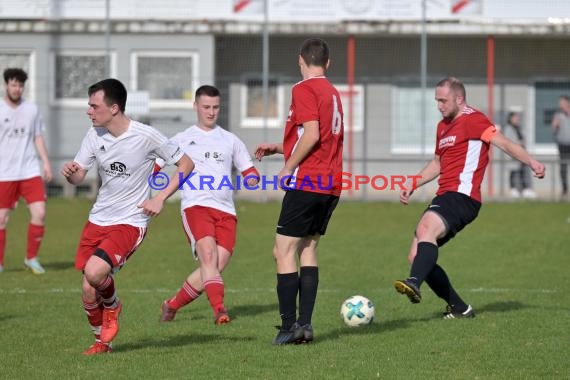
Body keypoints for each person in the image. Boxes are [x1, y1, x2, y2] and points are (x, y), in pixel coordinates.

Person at [61, 78, 194, 355]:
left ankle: (112, 305)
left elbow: (186, 163)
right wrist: (72, 173)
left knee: (96, 272)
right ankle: (102, 343)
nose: (89, 111)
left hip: (130, 221)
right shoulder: (93, 135)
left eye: (93, 106)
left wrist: (159, 197)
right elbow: (79, 176)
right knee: (88, 289)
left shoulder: (146, 136)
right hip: (98, 218)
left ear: (113, 108)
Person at [394, 77, 545, 319]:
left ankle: (413, 281)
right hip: (446, 194)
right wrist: (413, 182)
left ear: (459, 98)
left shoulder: (475, 120)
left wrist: (531, 162)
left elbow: (504, 143)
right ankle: (459, 308)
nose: (439, 105)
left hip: (463, 196)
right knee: (416, 254)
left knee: (426, 229)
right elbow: (437, 163)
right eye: (437, 101)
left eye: (443, 100)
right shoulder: (442, 126)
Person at [255, 38, 344, 345]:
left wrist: (288, 166)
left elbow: (313, 134)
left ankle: (288, 327)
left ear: (300, 61)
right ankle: (304, 325)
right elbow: (320, 139)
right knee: (307, 248)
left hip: (308, 181)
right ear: (328, 63)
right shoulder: (333, 93)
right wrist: (278, 148)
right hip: (331, 184)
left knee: (282, 251)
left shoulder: (303, 89)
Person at [158, 85, 260, 325]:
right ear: (196, 107)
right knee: (208, 254)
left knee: (215, 266)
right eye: (206, 107)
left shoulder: (230, 140)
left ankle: (171, 305)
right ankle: (220, 310)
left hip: (226, 211)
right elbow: (157, 163)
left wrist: (252, 177)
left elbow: (248, 169)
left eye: (215, 107)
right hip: (196, 206)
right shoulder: (182, 139)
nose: (211, 112)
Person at [0, 68, 52, 274]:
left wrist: (46, 162)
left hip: (30, 170)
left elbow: (37, 137)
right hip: (4, 173)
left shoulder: (32, 109)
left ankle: (31, 258)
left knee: (40, 212)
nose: (17, 89)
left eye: (20, 85)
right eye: (13, 84)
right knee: (2, 219)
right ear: (6, 85)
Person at [502, 111, 536, 199]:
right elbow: (508, 142)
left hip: (521, 154)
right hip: (513, 155)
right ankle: (514, 189)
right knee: (514, 172)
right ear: (510, 119)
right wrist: (519, 143)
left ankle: (525, 189)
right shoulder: (508, 129)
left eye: (518, 118)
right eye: (515, 118)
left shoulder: (519, 128)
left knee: (523, 172)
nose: (517, 119)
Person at [551, 95, 570, 199]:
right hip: (562, 145)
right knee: (563, 168)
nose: (560, 105)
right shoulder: (558, 115)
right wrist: (554, 126)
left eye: (562, 102)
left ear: (567, 103)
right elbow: (553, 130)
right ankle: (565, 189)